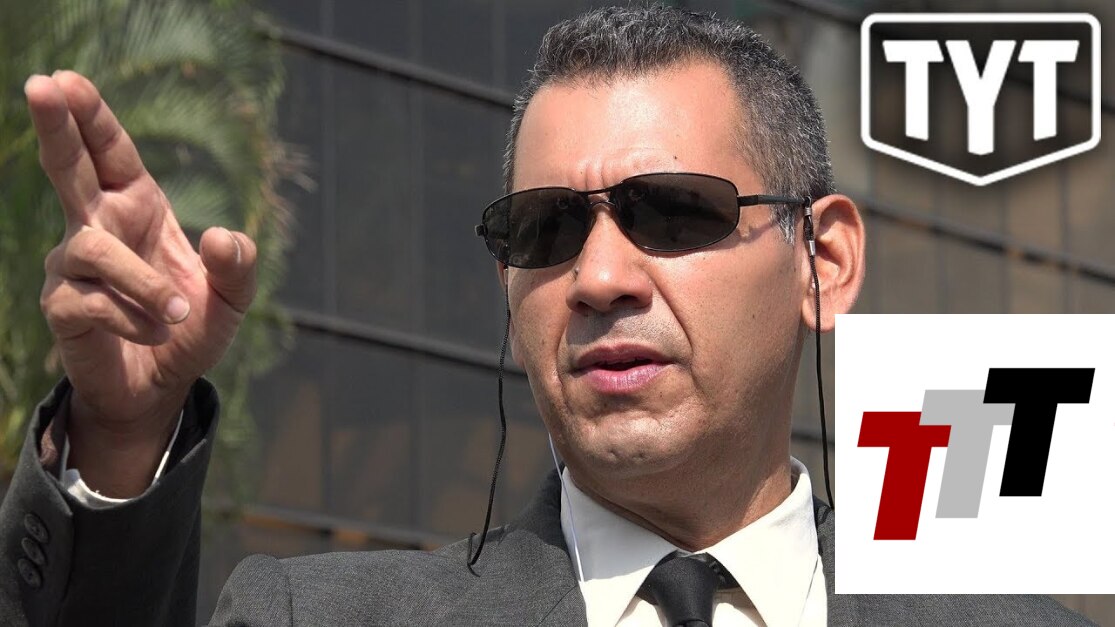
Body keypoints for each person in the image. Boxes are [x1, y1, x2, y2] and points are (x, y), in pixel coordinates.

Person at [0, 5, 1093, 626]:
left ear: (822, 259)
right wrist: (123, 440)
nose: (599, 276)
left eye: (673, 211)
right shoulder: (318, 616)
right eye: (545, 230)